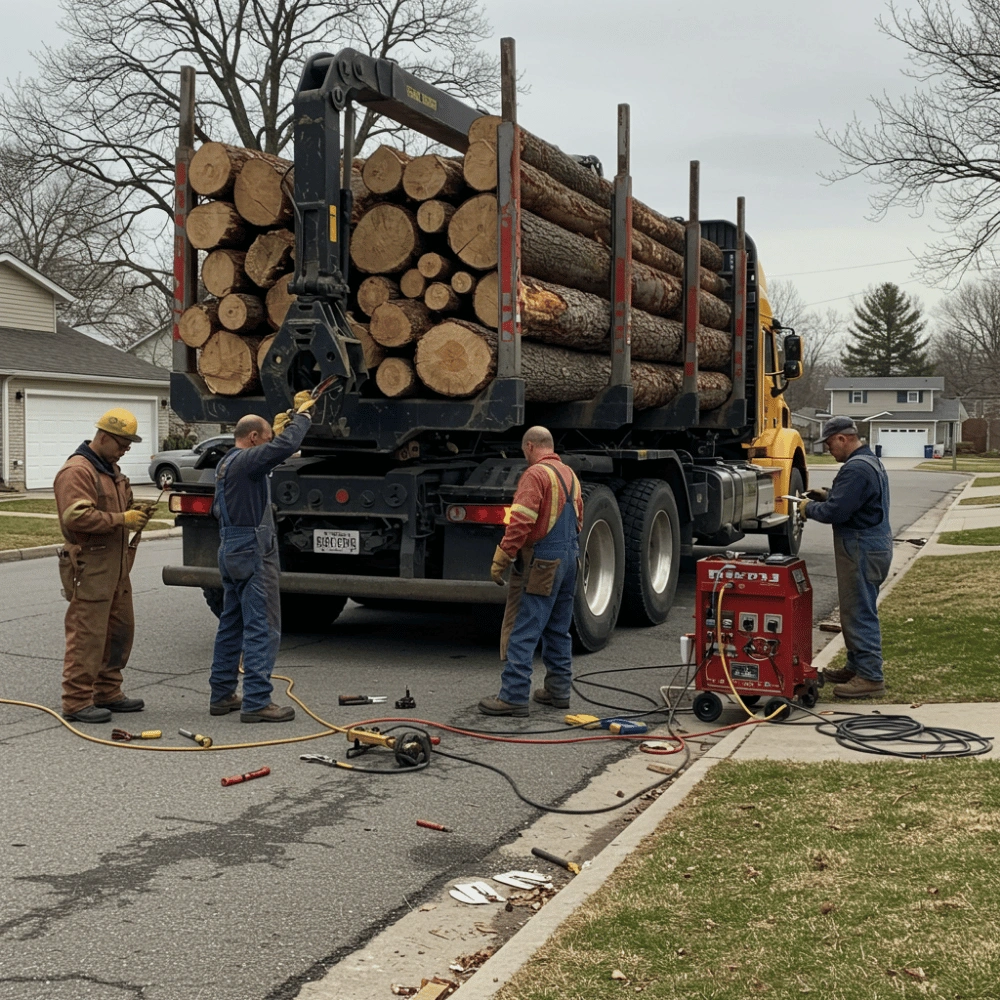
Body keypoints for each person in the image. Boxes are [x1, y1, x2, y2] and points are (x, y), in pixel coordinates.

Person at [208, 392, 316, 723]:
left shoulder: (227, 462)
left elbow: (276, 453)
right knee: (262, 625)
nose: (269, 444)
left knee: (232, 623)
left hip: (230, 548)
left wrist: (279, 429)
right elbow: (283, 449)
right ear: (253, 437)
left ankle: (222, 694)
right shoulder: (247, 461)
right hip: (253, 550)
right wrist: (303, 418)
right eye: (266, 438)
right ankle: (256, 701)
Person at [54, 408, 152, 724]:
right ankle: (77, 700)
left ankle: (108, 692)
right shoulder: (78, 471)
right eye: (122, 443)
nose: (125, 449)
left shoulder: (112, 471)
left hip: (117, 565)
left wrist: (135, 511)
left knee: (120, 629)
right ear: (103, 436)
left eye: (129, 445)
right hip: (91, 564)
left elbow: (122, 506)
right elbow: (75, 516)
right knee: (88, 634)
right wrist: (121, 519)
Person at [479, 426, 583, 717]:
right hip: (570, 559)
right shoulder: (569, 475)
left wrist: (503, 556)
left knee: (524, 629)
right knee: (558, 629)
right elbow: (579, 520)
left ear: (529, 446)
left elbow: (521, 520)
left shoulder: (535, 475)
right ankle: (558, 691)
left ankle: (513, 696)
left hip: (544, 563)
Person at [800, 415, 892, 698]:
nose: (829, 449)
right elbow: (853, 501)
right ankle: (856, 666)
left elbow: (837, 513)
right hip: (871, 545)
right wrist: (827, 495)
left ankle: (870, 677)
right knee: (856, 608)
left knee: (858, 611)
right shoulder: (868, 462)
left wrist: (807, 508)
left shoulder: (856, 469)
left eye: (830, 444)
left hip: (861, 548)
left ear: (843, 438)